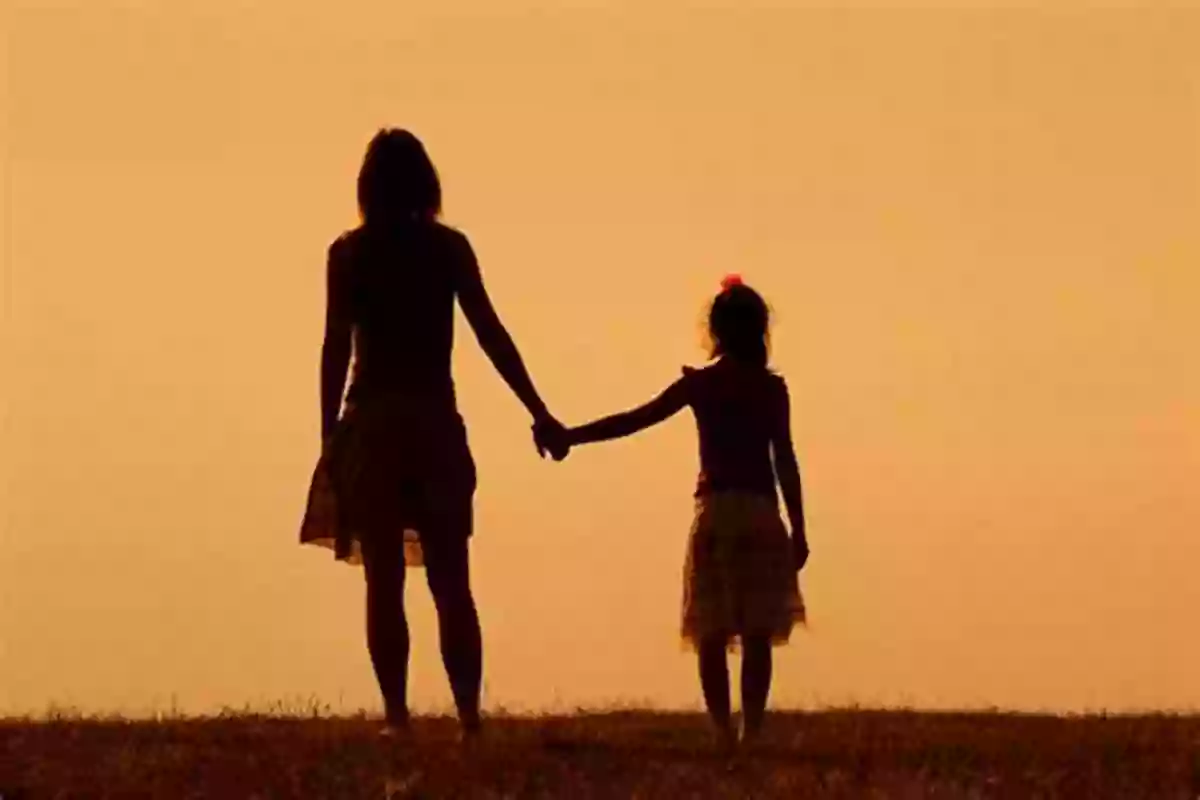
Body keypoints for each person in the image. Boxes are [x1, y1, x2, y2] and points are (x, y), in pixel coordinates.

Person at [299, 129, 565, 740]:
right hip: (433, 423)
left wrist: (328, 438)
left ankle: (398, 717)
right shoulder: (447, 249)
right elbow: (491, 334)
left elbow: (335, 347)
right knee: (452, 580)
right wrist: (538, 409)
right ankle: (468, 716)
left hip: (372, 423)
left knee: (384, 580)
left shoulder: (350, 254)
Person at [540, 275, 808, 749]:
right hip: (762, 511)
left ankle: (724, 729)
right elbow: (783, 458)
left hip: (716, 510)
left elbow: (635, 419)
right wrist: (800, 527)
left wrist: (572, 436)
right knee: (757, 632)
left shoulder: (702, 385)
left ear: (715, 331)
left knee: (711, 627)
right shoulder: (770, 389)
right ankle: (751, 731)